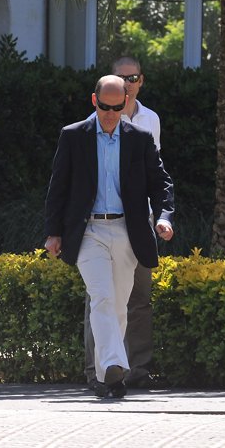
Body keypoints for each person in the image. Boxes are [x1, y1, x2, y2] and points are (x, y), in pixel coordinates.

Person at [44, 75, 174, 399]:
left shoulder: (140, 139)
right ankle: (115, 364)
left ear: (125, 103)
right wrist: (53, 233)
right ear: (94, 101)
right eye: (105, 107)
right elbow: (58, 186)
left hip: (128, 230)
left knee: (118, 306)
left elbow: (161, 183)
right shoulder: (73, 136)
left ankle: (108, 379)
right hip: (89, 231)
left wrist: (163, 217)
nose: (110, 115)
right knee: (101, 297)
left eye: (117, 108)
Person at [83, 57, 164, 390]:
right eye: (121, 78)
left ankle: (137, 370)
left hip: (137, 221)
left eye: (132, 78)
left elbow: (155, 172)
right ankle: (98, 371)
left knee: (138, 297)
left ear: (140, 81)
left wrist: (161, 215)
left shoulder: (150, 120)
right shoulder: (92, 123)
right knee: (99, 296)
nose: (127, 84)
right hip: (98, 224)